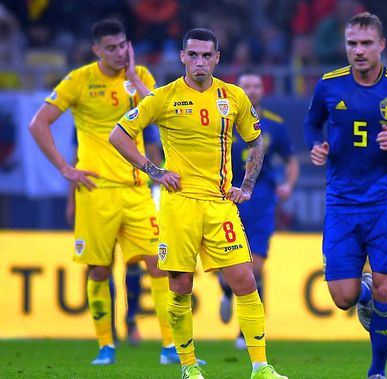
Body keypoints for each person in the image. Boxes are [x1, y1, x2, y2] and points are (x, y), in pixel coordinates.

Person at [109, 28, 288, 379]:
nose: (200, 62)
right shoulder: (163, 98)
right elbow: (118, 135)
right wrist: (155, 170)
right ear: (182, 57)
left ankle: (260, 366)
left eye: (207, 55)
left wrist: (246, 185)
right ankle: (189, 366)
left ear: (217, 59)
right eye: (193, 55)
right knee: (179, 287)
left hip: (220, 204)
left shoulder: (233, 97)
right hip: (179, 205)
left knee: (246, 279)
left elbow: (256, 142)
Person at [28, 18, 180, 366]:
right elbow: (38, 123)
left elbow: (162, 114)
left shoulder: (141, 75)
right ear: (96, 50)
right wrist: (65, 170)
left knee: (159, 264)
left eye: (123, 45)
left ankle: (170, 347)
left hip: (137, 187)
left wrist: (135, 80)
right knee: (98, 270)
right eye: (110, 48)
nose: (118, 53)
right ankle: (105, 346)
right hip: (95, 190)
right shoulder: (79, 80)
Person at [303, 12, 387, 379]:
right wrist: (316, 145)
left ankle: (377, 371)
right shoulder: (329, 85)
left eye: (366, 43)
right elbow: (311, 123)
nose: (358, 51)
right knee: (342, 298)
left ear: (382, 45)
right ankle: (362, 294)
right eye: (352, 44)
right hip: (342, 202)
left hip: (386, 202)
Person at [217, 69, 300, 349]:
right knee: (228, 267)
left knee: (256, 266)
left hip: (262, 199)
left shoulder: (275, 125)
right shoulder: (224, 122)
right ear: (237, 90)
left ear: (262, 90)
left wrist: (288, 184)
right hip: (227, 196)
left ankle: (245, 333)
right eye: (246, 85)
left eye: (255, 85)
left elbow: (291, 161)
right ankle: (227, 292)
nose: (251, 90)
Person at [66, 124, 163, 346]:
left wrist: (157, 186)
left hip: (134, 192)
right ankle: (109, 329)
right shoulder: (89, 110)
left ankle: (131, 321)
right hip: (98, 195)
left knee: (137, 262)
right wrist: (72, 199)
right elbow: (77, 156)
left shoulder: (136, 108)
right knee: (103, 264)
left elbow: (152, 150)